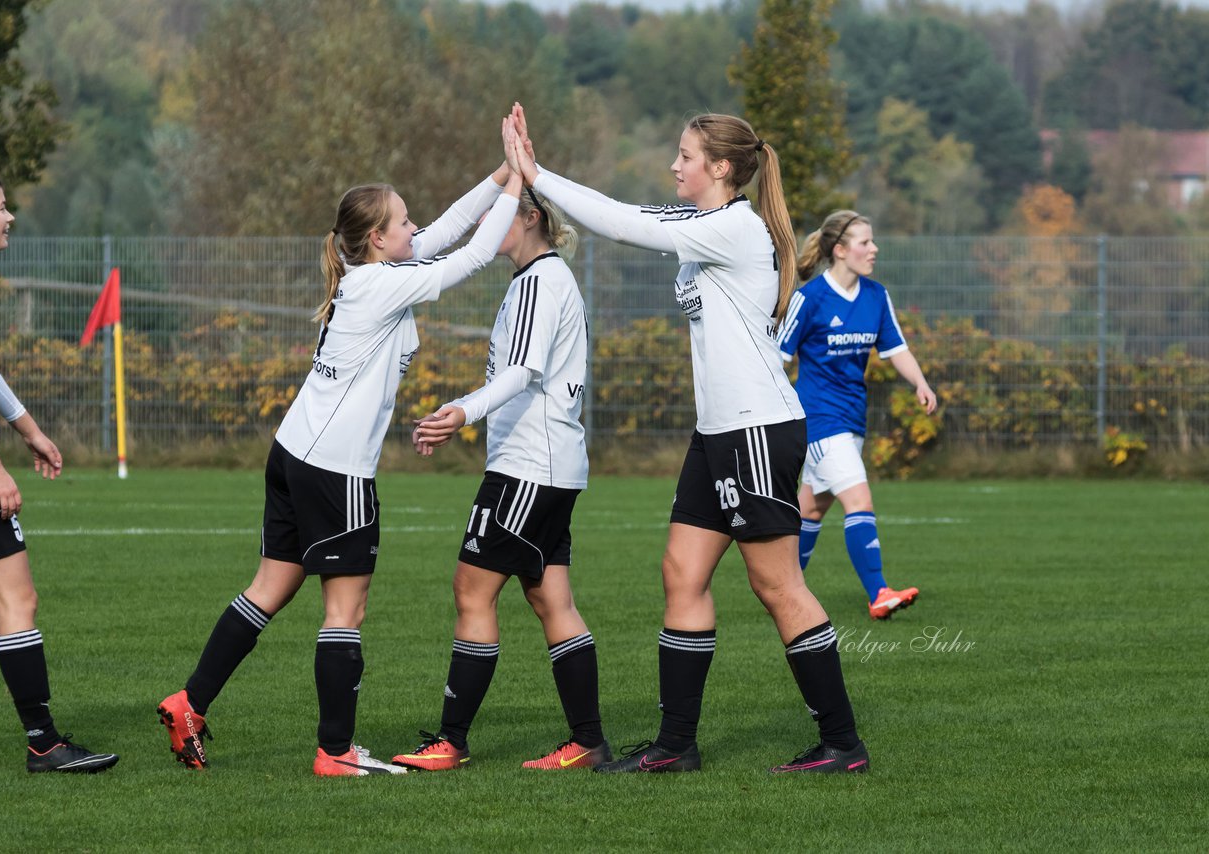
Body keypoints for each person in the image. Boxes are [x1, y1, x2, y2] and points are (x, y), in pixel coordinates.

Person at [505, 104, 869, 774]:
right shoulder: (708, 224)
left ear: (721, 168)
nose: (674, 165)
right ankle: (677, 745)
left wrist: (537, 174)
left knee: (776, 584)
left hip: (757, 428)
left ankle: (842, 743)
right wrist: (539, 173)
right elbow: (624, 211)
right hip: (718, 435)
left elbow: (622, 223)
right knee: (682, 572)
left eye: (686, 155)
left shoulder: (732, 227)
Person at [156, 135, 524, 777]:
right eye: (404, 221)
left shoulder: (374, 273)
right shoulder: (383, 285)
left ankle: (190, 701)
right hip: (335, 469)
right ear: (378, 239)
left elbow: (445, 234)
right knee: (344, 610)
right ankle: (335, 753)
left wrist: (499, 173)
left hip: (294, 451)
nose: (416, 227)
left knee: (270, 587)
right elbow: (473, 256)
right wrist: (518, 184)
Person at [390, 186, 610, 772]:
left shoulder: (542, 280)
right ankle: (587, 742)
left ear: (530, 217)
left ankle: (452, 741)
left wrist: (462, 410)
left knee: (472, 590)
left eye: (498, 212)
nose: (486, 223)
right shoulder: (534, 279)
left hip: (527, 468)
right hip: (551, 466)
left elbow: (522, 371)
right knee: (551, 599)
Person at [0, 169, 119, 773]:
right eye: (4, 208)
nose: (11, 217)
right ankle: (45, 743)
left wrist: (29, 431)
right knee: (20, 602)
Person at [779, 211, 937, 620]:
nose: (874, 249)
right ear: (840, 250)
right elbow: (776, 360)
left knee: (812, 509)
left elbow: (895, 347)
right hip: (817, 419)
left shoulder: (875, 295)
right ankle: (879, 592)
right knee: (859, 498)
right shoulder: (808, 299)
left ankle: (781, 588)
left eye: (872, 241)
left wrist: (920, 382)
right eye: (865, 242)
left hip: (853, 420)